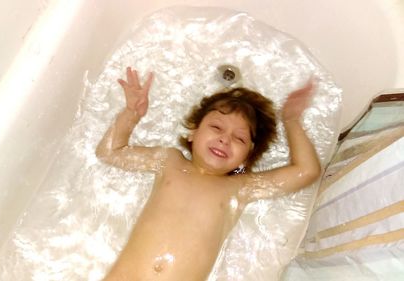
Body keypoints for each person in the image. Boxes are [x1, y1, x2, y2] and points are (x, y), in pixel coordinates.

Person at [95, 66, 321, 281]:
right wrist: (131, 114)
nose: (225, 139)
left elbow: (307, 171)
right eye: (216, 127)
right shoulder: (169, 161)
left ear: (246, 156)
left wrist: (291, 121)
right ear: (193, 132)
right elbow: (110, 152)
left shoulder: (239, 188)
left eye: (240, 138)